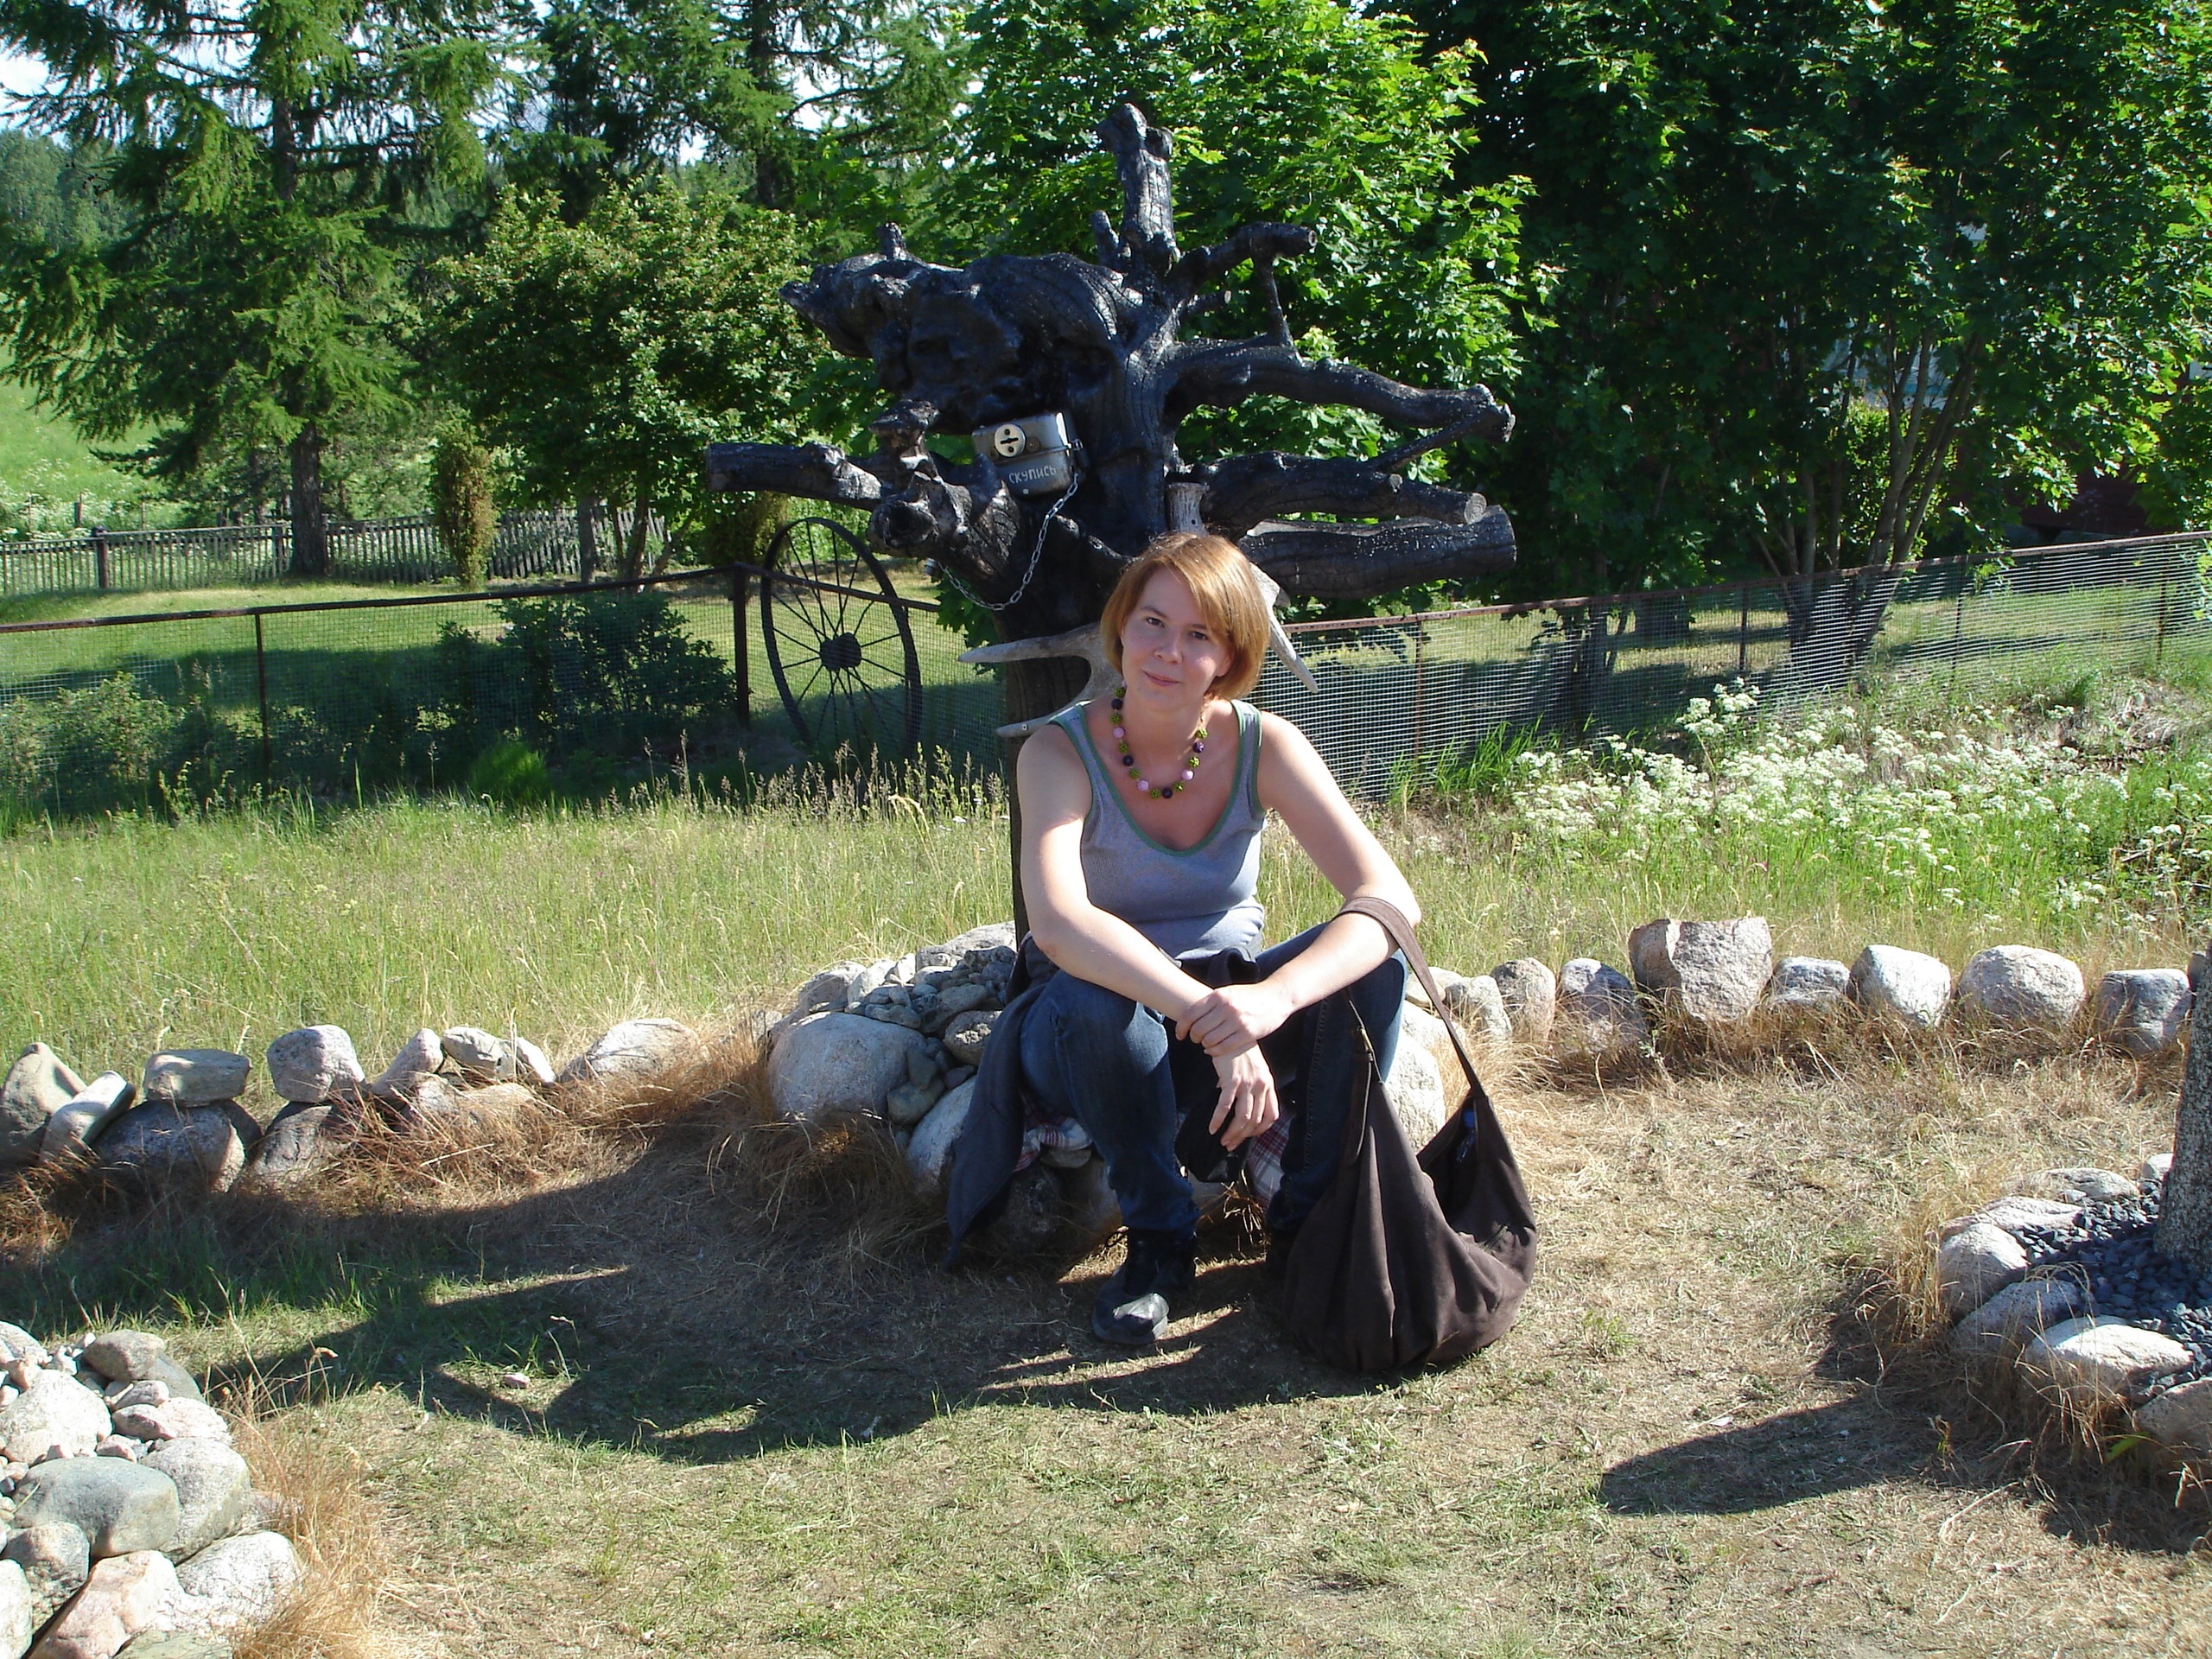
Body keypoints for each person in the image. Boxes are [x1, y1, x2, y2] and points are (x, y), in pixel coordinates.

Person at [949, 531, 1422, 1348]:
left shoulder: (1266, 744)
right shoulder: (1057, 750)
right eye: (1152, 622)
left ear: (1230, 654)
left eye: (1199, 634)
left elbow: (1389, 900)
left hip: (1228, 1001)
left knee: (1373, 967)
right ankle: (1160, 1240)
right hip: (1093, 1028)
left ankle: (1306, 1221)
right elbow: (1060, 924)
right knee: (1097, 1001)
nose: (1168, 652)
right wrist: (1216, 1021)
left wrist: (1269, 1002)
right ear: (1121, 626)